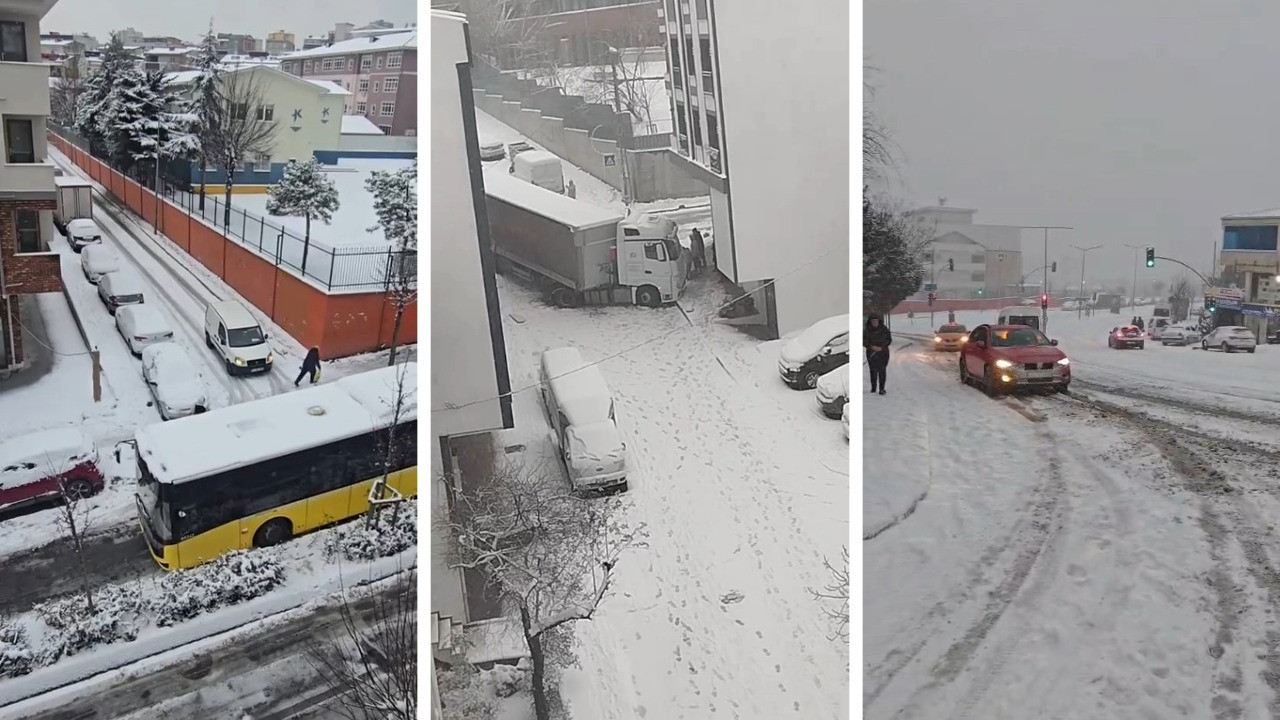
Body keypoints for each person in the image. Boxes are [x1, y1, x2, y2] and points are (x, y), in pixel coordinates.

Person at [864, 314, 892, 395]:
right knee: (873, 371)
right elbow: (863, 340)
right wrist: (871, 346)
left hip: (883, 353)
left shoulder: (884, 329)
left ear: (879, 322)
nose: (875, 322)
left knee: (882, 370)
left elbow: (889, 340)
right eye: (873, 321)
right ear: (870, 322)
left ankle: (882, 388)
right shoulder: (867, 330)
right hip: (871, 353)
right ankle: (873, 388)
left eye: (876, 321)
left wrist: (882, 347)